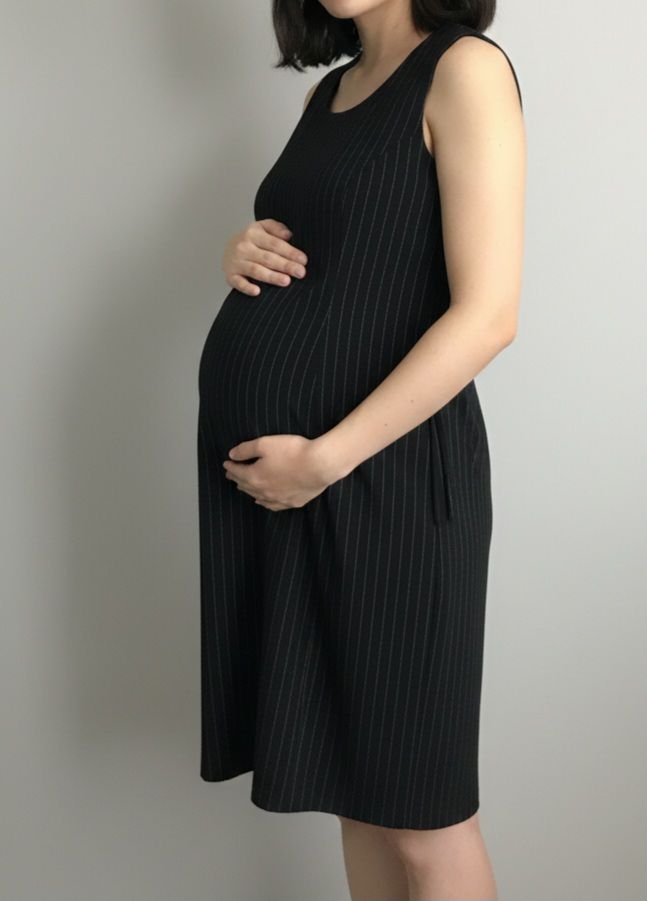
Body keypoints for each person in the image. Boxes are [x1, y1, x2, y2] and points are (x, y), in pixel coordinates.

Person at [197, 0, 525, 897]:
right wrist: (241, 249)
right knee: (359, 795)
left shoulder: (463, 70)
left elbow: (488, 314)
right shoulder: (331, 93)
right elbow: (343, 252)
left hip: (391, 482)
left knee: (422, 816)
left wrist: (326, 459)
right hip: (303, 494)